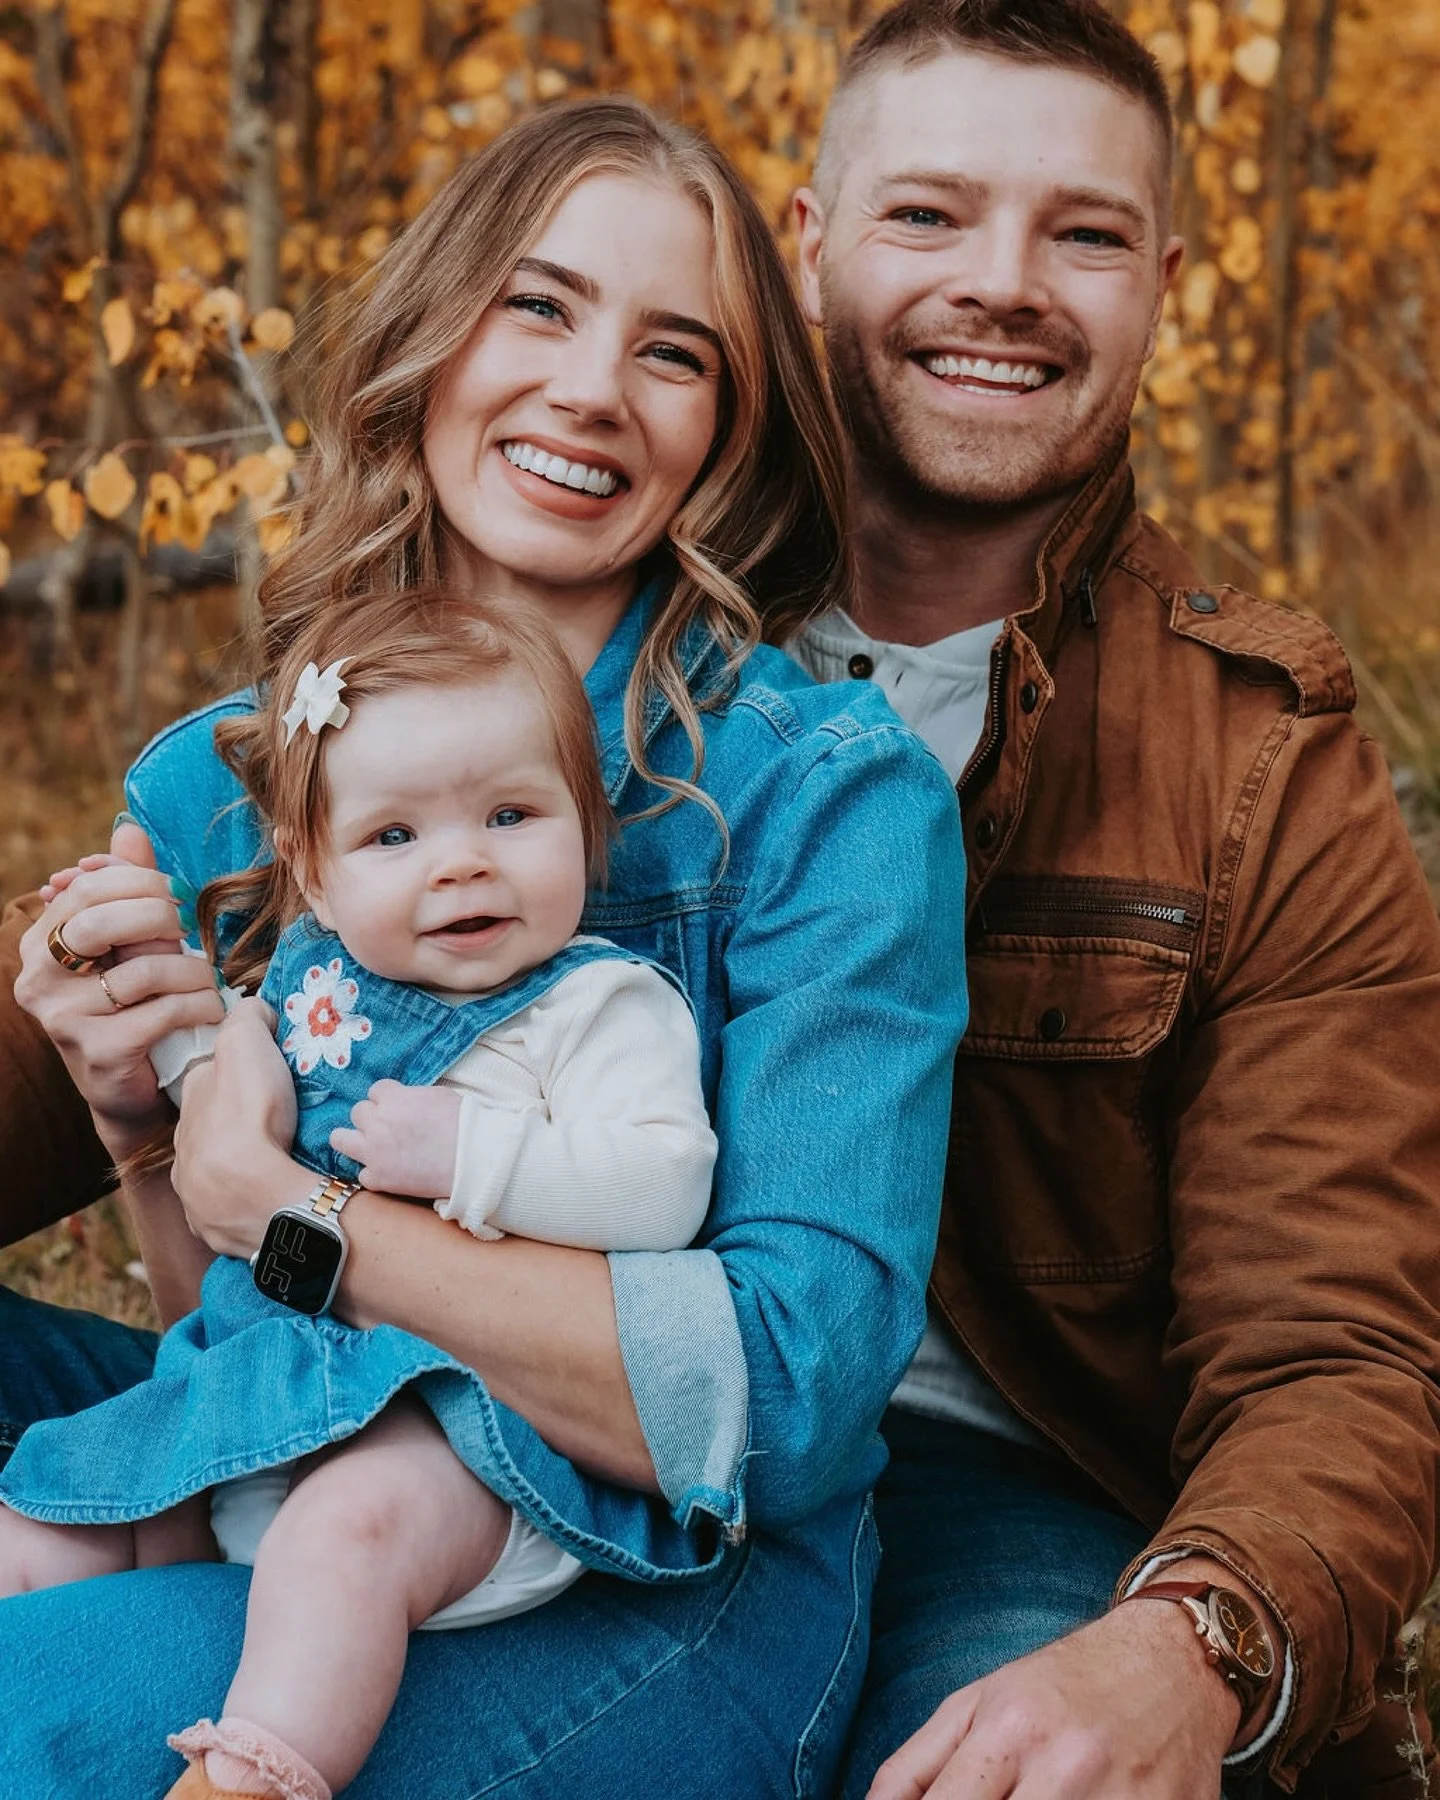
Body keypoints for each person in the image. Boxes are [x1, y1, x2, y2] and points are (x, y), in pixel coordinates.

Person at [0, 97, 968, 1796]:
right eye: (540, 304)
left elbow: (795, 1394)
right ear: (431, 337)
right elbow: (230, 1334)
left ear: (726, 439)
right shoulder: (234, 779)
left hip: (655, 1575)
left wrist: (309, 1218)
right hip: (305, 1470)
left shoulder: (821, 791)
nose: (593, 388)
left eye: (675, 354)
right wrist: (148, 1137)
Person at [784, 3, 1440, 1797]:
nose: (1005, 283)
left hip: (1005, 1508)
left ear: (1159, 283)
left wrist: (1191, 1645)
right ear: (806, 240)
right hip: (553, 1426)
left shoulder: (1255, 753)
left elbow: (1340, 1348)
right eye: (928, 216)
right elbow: (183, 939)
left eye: (1081, 233)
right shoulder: (592, 603)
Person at [0, 591, 722, 1800]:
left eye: (511, 814)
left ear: (587, 833)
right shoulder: (313, 990)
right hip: (264, 1411)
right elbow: (229, 1109)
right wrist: (157, 1003)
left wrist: (475, 1156)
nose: (463, 860)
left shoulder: (598, 1007)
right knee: (62, 1505)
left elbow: (665, 1190)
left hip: (470, 1447)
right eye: (395, 837)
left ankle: (253, 1778)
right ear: (316, 882)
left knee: (343, 1539)